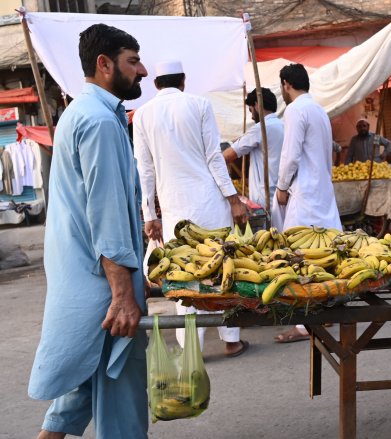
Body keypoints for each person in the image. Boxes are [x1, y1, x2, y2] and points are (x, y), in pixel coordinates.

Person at [29, 24, 149, 438]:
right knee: (123, 406)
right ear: (104, 64)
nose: (143, 71)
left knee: (82, 387)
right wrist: (123, 297)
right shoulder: (98, 122)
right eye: (133, 61)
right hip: (104, 288)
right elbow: (108, 217)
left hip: (81, 277)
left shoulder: (83, 113)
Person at [134, 60, 249, 357]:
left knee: (184, 276)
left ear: (156, 84)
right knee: (223, 270)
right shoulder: (199, 104)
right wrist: (234, 198)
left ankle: (192, 351)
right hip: (209, 203)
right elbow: (214, 157)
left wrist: (150, 215)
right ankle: (231, 340)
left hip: (174, 209)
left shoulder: (143, 114)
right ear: (183, 80)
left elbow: (144, 170)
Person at [274, 63, 342, 343]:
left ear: (287, 84)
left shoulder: (295, 110)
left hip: (305, 193)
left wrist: (281, 187)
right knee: (325, 255)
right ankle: (324, 310)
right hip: (321, 190)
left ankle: (305, 324)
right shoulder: (318, 109)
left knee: (300, 257)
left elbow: (290, 155)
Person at [223, 87, 284, 210]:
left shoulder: (261, 128)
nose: (251, 117)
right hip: (282, 197)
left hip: (265, 201)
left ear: (257, 105)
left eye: (251, 111)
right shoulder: (283, 125)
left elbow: (227, 156)